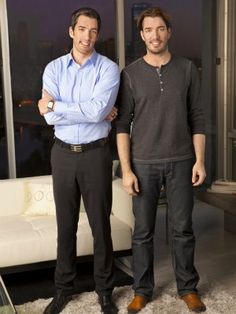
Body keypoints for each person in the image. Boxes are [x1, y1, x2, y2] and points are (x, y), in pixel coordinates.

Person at [116, 7, 206, 314]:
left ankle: (188, 288)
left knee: (183, 228)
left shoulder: (187, 69)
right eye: (148, 30)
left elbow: (197, 117)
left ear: (169, 32)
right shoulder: (129, 74)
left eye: (160, 29)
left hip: (182, 161)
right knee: (142, 232)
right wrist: (126, 170)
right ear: (142, 36)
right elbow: (122, 126)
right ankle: (142, 290)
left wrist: (200, 161)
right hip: (143, 164)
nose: (155, 35)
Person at [38, 7, 120, 314]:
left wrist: (56, 104)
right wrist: (77, 108)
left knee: (101, 226)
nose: (87, 36)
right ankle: (63, 290)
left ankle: (105, 292)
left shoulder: (109, 69)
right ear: (71, 31)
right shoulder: (54, 68)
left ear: (98, 34)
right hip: (62, 154)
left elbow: (98, 112)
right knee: (65, 226)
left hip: (96, 154)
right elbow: (49, 118)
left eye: (94, 31)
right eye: (82, 29)